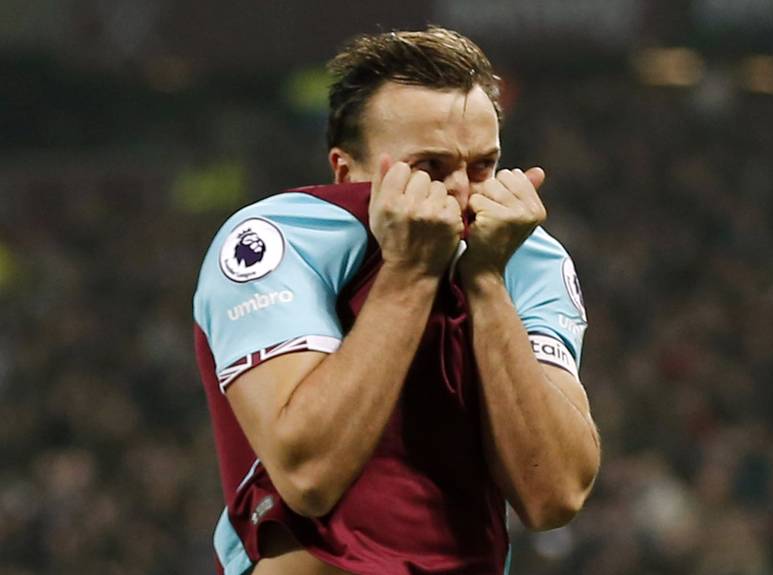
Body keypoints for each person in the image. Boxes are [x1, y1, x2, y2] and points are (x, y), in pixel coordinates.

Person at [193, 26, 600, 575]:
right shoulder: (282, 238)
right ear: (347, 172)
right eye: (430, 168)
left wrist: (486, 281)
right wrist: (410, 271)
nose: (462, 193)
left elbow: (554, 495)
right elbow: (308, 476)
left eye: (482, 166)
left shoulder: (530, 258)